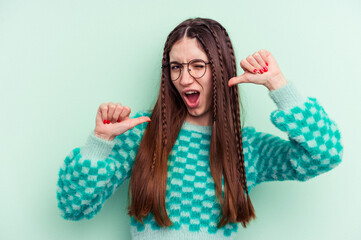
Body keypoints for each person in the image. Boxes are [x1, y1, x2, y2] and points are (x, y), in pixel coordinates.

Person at [56, 17, 343, 240]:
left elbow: (325, 154)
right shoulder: (143, 134)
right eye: (176, 67)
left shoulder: (246, 148)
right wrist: (100, 142)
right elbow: (74, 206)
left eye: (197, 65)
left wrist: (278, 85)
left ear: (219, 70)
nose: (184, 78)